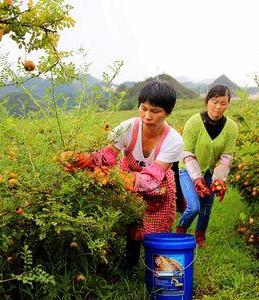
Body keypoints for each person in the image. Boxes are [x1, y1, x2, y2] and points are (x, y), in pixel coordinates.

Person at [61, 80, 183, 271]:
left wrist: (117, 178)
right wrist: (83, 161)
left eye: (155, 111)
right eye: (143, 109)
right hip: (126, 179)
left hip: (157, 189)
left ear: (168, 112)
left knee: (156, 231)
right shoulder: (128, 127)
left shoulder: (173, 140)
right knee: (130, 225)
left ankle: (158, 270)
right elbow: (106, 156)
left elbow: (152, 178)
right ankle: (130, 267)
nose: (147, 116)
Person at [175, 84, 238, 247]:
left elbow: (226, 157)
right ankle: (179, 232)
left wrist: (219, 180)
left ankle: (199, 237)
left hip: (209, 172)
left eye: (223, 103)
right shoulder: (194, 122)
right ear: (207, 101)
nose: (218, 107)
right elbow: (186, 151)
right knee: (194, 207)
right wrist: (196, 178)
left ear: (228, 103)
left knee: (206, 209)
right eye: (214, 101)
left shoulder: (231, 127)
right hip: (187, 170)